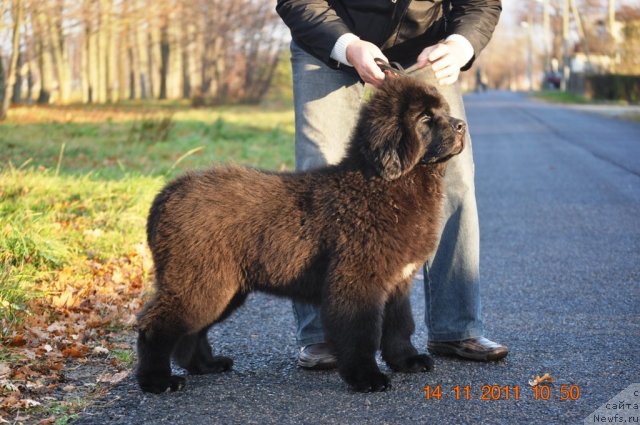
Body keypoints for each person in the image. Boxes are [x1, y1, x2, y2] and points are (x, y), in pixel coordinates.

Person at [276, 0, 507, 369]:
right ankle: (323, 334)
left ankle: (456, 327)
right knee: (320, 165)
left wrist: (459, 45)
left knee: (454, 178)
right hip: (329, 39)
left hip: (425, 47)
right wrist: (348, 45)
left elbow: (480, 4)